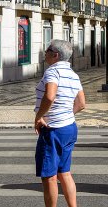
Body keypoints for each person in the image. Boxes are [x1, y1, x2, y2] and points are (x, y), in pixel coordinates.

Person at [34, 40, 85, 207]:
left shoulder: (52, 71)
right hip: (69, 127)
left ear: (55, 55)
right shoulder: (73, 74)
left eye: (48, 50)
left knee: (49, 176)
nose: (45, 52)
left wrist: (40, 116)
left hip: (53, 129)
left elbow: (49, 96)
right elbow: (82, 103)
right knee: (65, 172)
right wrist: (66, 115)